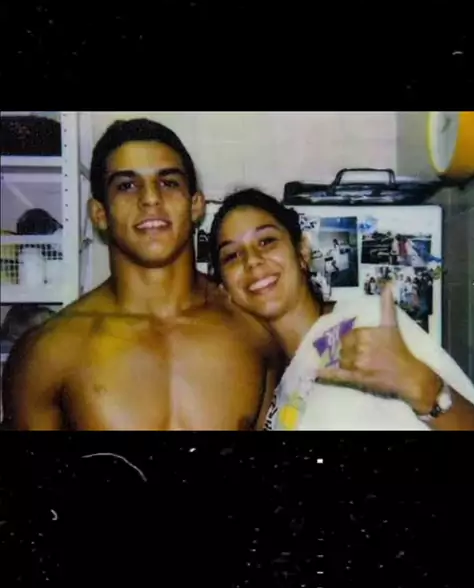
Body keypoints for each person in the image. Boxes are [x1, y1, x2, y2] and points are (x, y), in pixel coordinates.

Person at [2, 121, 280, 431]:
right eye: (126, 185)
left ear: (196, 205)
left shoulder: (254, 330)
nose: (150, 198)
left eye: (169, 182)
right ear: (99, 213)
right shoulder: (48, 355)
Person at [209, 189, 474, 432]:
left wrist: (422, 386)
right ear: (225, 290)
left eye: (266, 241)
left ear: (302, 251)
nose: (253, 261)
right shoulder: (279, 392)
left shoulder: (364, 320)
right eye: (232, 255)